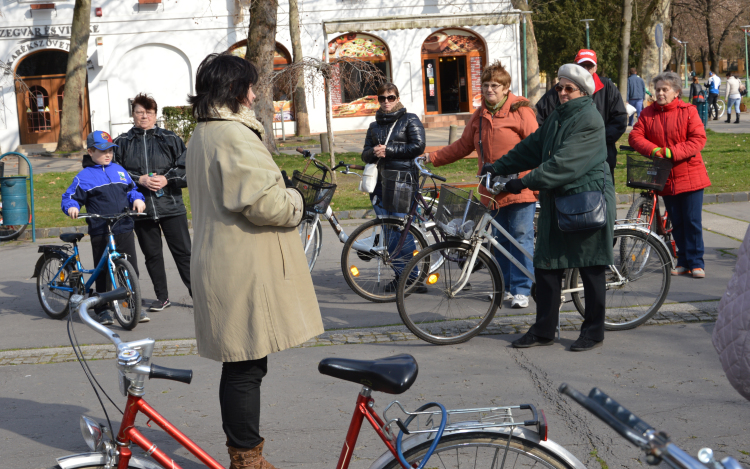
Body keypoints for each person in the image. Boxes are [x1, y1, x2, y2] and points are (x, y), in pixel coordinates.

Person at [185, 53, 323, 469]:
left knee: (243, 362)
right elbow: (263, 203)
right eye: (250, 85)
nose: (255, 93)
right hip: (240, 265)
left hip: (226, 260)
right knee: (245, 366)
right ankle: (247, 459)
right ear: (234, 90)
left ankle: (245, 453)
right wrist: (298, 199)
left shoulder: (205, 132)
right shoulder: (232, 134)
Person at [482, 64, 616, 352]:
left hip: (586, 199)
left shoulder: (590, 119)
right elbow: (531, 147)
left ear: (583, 92)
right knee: (546, 265)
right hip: (557, 199)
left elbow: (564, 163)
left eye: (569, 88)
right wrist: (499, 166)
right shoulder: (558, 116)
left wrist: (523, 182)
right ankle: (544, 330)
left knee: (590, 266)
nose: (562, 92)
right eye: (559, 87)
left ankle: (593, 332)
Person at [425, 61, 538, 309]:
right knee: (498, 241)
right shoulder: (480, 115)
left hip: (518, 186)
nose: (490, 90)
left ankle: (522, 289)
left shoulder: (520, 111)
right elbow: (463, 146)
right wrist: (432, 157)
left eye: (495, 85)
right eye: (486, 85)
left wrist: (533, 181)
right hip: (491, 189)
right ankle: (506, 288)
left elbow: (537, 146)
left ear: (506, 87)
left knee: (519, 237)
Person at [113, 93, 191, 313]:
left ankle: (197, 293)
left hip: (172, 206)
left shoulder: (170, 138)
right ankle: (162, 297)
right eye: (139, 112)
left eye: (148, 112)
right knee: (152, 255)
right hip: (141, 210)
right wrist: (140, 180)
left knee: (184, 253)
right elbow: (117, 173)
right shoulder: (122, 143)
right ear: (133, 115)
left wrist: (167, 179)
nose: (144, 116)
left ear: (155, 115)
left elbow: (186, 168)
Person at [629, 72, 709, 278]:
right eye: (657, 90)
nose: (660, 93)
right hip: (665, 178)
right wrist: (654, 150)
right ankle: (682, 261)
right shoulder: (647, 113)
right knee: (677, 221)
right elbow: (635, 136)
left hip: (690, 175)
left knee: (692, 221)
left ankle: (697, 262)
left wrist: (671, 152)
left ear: (676, 92)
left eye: (665, 89)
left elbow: (698, 139)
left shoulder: (688, 111)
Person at [61, 131, 147, 324]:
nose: (108, 154)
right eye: (102, 151)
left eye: (110, 150)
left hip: (123, 225)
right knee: (103, 271)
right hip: (100, 228)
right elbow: (69, 197)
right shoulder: (84, 177)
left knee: (129, 268)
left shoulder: (119, 170)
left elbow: (132, 189)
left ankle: (132, 304)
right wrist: (72, 206)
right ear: (90, 151)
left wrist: (138, 200)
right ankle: (102, 309)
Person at [361, 82, 426, 292]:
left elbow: (418, 146)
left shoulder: (410, 119)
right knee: (389, 232)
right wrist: (374, 153)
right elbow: (364, 153)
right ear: (378, 100)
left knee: (402, 232)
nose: (386, 102)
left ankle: (410, 279)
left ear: (397, 98)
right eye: (382, 98)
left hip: (402, 183)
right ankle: (402, 275)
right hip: (380, 184)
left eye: (391, 97)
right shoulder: (374, 126)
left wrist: (389, 150)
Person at [535, 49, 627, 183]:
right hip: (568, 161)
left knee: (602, 200)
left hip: (601, 159)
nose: (585, 70)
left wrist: (597, 138)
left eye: (589, 66)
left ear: (595, 68)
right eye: (581, 66)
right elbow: (540, 119)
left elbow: (619, 119)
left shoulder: (607, 86)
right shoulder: (560, 89)